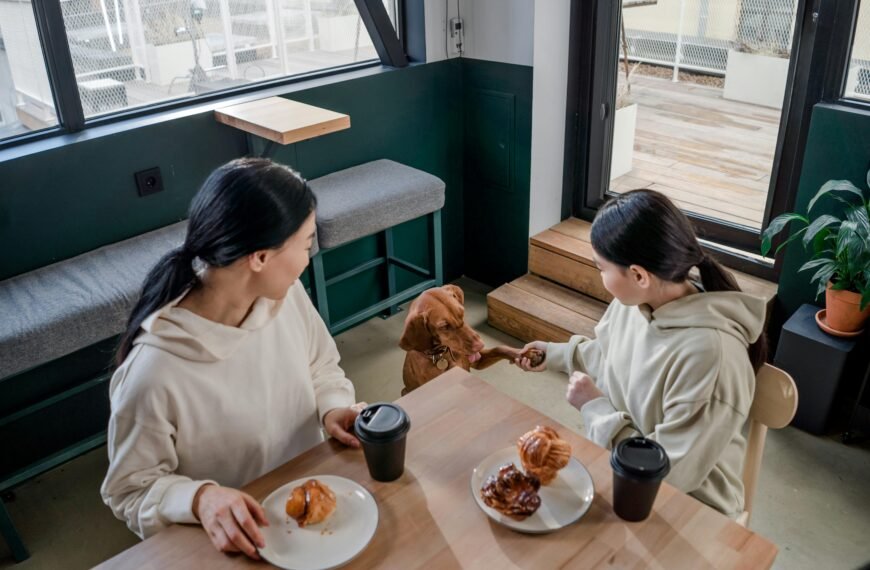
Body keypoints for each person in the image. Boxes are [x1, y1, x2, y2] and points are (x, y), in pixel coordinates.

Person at [101, 158, 362, 559]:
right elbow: (129, 490)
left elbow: (321, 365)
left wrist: (333, 409)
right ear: (259, 258)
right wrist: (200, 498)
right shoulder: (153, 372)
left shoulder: (283, 295)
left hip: (315, 508)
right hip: (241, 542)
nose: (309, 258)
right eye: (307, 244)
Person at [515, 189, 767, 517]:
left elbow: (668, 472)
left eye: (601, 268)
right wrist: (555, 355)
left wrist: (595, 408)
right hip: (623, 474)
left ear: (638, 275)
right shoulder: (637, 303)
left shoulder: (712, 357)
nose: (600, 276)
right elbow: (612, 358)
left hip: (688, 509)